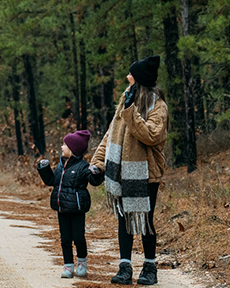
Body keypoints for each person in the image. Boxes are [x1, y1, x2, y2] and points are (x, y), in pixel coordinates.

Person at [87, 56, 169, 285]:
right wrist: (98, 163)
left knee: (145, 219)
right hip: (122, 170)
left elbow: (151, 135)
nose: (127, 77)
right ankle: (125, 267)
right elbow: (111, 134)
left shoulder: (158, 106)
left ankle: (150, 268)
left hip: (147, 174)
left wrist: (131, 111)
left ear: (139, 79)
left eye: (130, 74)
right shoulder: (126, 99)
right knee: (124, 219)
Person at [36, 130, 99, 279]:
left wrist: (97, 172)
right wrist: (44, 169)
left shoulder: (83, 166)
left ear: (73, 149)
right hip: (62, 208)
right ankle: (68, 266)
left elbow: (93, 180)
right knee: (65, 239)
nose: (62, 146)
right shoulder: (60, 166)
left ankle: (82, 261)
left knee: (78, 237)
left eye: (65, 144)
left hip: (76, 210)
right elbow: (51, 181)